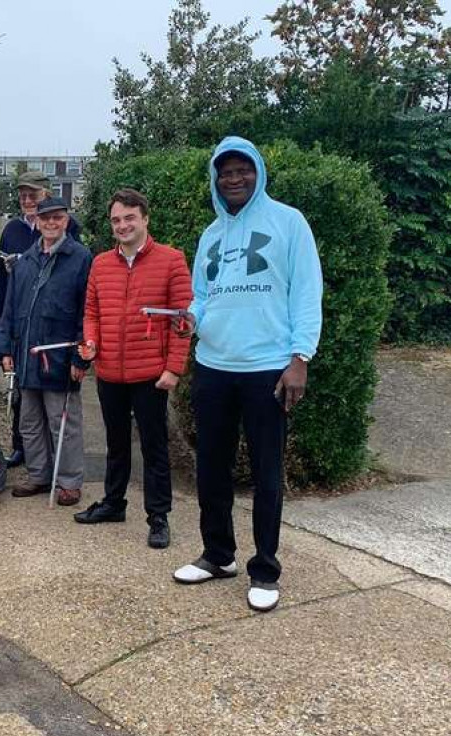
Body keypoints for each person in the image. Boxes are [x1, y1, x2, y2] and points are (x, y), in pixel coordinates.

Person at [173, 136, 323, 613]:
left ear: (258, 172)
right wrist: (191, 316)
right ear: (215, 178)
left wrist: (300, 356)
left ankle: (265, 569)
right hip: (214, 365)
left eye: (243, 170)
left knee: (266, 471)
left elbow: (306, 291)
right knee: (211, 467)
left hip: (267, 368)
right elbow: (203, 292)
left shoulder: (288, 222)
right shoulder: (211, 234)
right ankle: (219, 555)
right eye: (225, 171)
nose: (234, 179)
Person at [75, 188, 192, 548]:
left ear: (144, 219)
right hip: (109, 371)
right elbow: (91, 312)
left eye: (129, 218)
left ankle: (158, 516)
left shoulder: (171, 260)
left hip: (150, 374)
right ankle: (113, 503)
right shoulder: (100, 263)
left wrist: (173, 368)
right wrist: (91, 343)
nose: (122, 225)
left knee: (154, 447)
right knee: (115, 443)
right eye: (115, 220)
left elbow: (182, 321)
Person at [0, 197, 92, 506]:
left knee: (63, 422)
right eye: (45, 218)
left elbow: (87, 312)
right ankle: (38, 474)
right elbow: (10, 307)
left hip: (59, 357)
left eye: (58, 218)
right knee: (29, 422)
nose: (51, 223)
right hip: (26, 356)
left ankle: (68, 481)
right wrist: (5, 346)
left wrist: (81, 356)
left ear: (66, 221)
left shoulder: (80, 258)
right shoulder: (25, 260)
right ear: (36, 221)